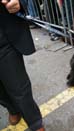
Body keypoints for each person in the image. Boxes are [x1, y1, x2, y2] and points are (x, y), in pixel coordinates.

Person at [0, 0, 44, 131]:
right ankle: (12, 108)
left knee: (19, 86)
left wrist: (20, 2)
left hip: (3, 36)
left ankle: (36, 124)